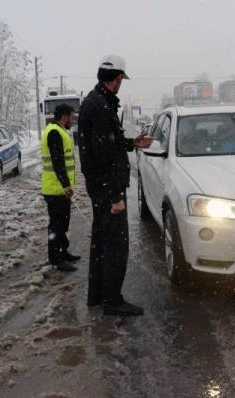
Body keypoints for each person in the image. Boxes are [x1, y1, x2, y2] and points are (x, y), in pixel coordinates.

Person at [78, 55, 153, 316]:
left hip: (100, 188)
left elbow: (107, 144)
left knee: (101, 242)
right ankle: (112, 301)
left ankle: (97, 296)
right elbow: (103, 156)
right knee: (116, 247)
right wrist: (114, 197)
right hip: (107, 190)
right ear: (117, 78)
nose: (121, 84)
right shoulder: (100, 106)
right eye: (121, 80)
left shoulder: (95, 101)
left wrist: (133, 143)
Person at [41, 104, 81, 272]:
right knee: (57, 225)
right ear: (64, 116)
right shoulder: (54, 132)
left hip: (60, 189)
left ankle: (63, 252)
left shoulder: (59, 130)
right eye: (71, 117)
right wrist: (66, 185)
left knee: (62, 223)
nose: (72, 120)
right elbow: (58, 162)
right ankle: (56, 259)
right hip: (55, 189)